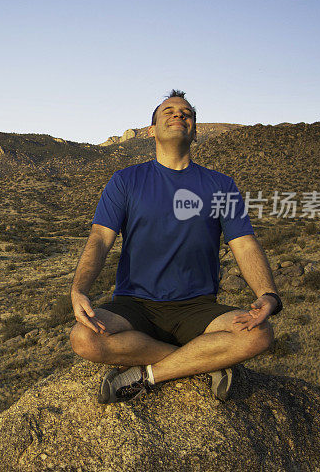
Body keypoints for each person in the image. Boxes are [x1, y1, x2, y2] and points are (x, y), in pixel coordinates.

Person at [69, 90, 281, 403]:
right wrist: (78, 290)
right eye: (168, 111)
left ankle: (149, 375)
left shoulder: (221, 185)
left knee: (260, 334)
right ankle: (204, 362)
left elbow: (245, 244)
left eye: (186, 113)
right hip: (135, 305)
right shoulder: (126, 180)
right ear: (152, 130)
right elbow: (100, 237)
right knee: (83, 338)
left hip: (198, 306)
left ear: (194, 131)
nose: (178, 115)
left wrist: (268, 295)